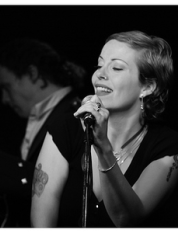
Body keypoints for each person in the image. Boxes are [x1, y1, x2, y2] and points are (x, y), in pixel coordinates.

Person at [30, 30, 178, 227]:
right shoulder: (65, 129)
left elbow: (126, 219)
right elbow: (41, 225)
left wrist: (102, 147)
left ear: (147, 87)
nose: (100, 73)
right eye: (99, 65)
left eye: (116, 68)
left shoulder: (167, 146)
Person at [0, 38, 86, 227]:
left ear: (32, 74)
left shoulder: (76, 115)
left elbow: (67, 192)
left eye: (7, 88)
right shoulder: (38, 117)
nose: (4, 99)